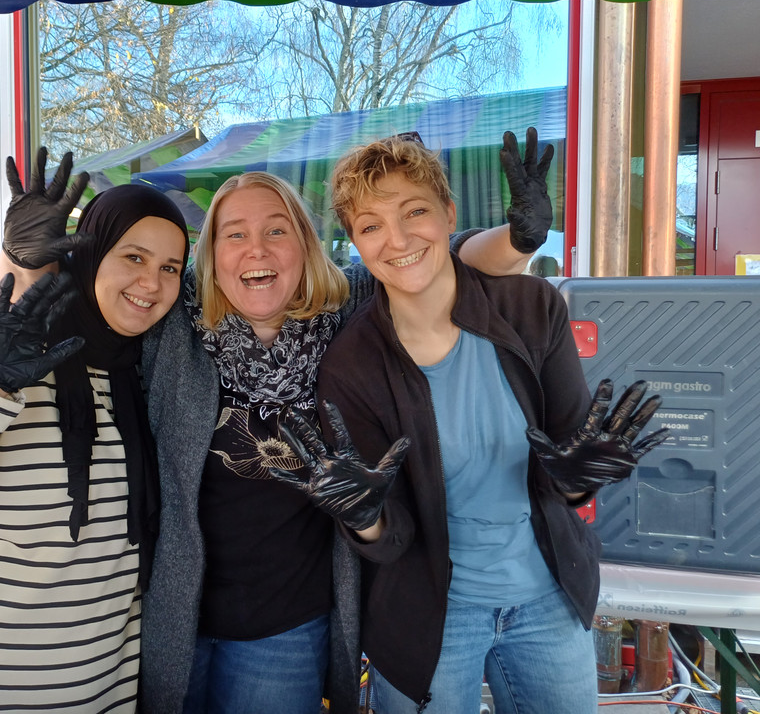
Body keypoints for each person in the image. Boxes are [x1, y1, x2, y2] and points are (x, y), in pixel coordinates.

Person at [133, 132, 557, 714]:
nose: (256, 250)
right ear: (212, 256)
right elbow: (116, 289)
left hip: (286, 625)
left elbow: (441, 257)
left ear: (305, 246)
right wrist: (27, 263)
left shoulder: (347, 308)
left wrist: (519, 240)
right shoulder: (177, 322)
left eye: (276, 231)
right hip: (175, 616)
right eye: (235, 235)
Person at [273, 134, 668, 713]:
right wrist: (364, 519)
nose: (398, 240)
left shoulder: (531, 309)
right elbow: (391, 536)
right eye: (372, 225)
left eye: (415, 212)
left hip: (548, 597)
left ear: (449, 215)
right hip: (429, 613)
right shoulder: (351, 365)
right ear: (355, 242)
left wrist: (580, 481)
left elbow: (568, 464)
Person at [0, 172, 190, 714]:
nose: (152, 282)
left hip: (97, 687)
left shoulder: (146, 373)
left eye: (170, 268)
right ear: (89, 255)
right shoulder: (9, 348)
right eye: (134, 257)